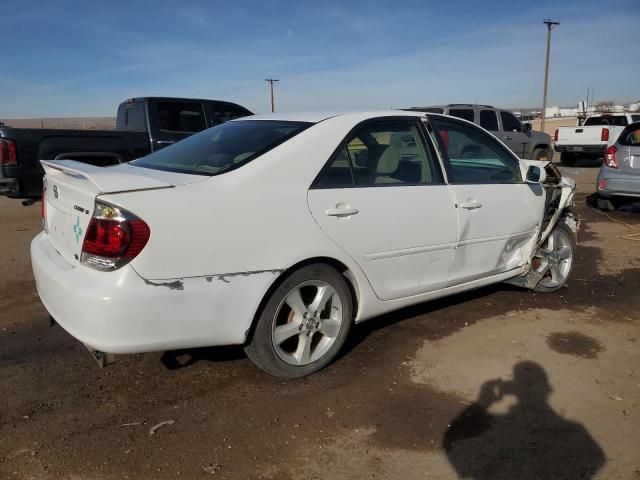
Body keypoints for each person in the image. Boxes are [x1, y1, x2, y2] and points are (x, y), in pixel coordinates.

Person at [443, 361, 605, 479]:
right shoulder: (575, 430)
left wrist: (484, 401)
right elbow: (597, 459)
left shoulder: (500, 425)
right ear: (547, 388)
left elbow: (454, 447)